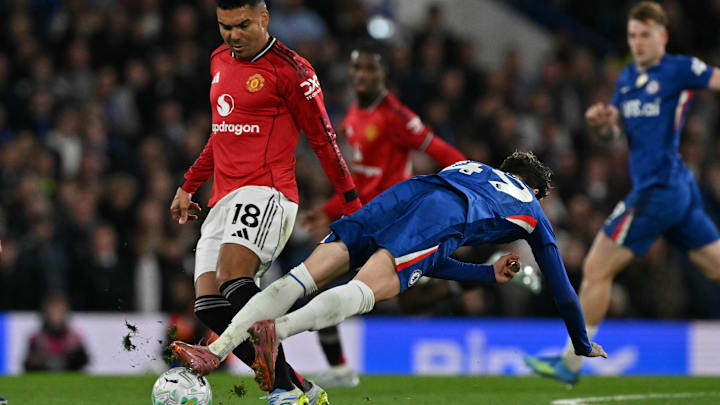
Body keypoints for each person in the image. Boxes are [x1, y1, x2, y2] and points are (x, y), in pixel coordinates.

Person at [171, 152, 608, 393]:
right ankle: (276, 331)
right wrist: (581, 342)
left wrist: (485, 275)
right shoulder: (532, 211)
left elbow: (431, 257)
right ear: (537, 190)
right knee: (367, 290)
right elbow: (563, 290)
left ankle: (217, 349)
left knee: (306, 275)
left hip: (409, 192)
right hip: (444, 214)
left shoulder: (472, 166)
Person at [169, 1, 361, 404]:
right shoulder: (218, 59)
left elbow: (324, 140)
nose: (233, 36)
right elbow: (221, 133)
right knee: (209, 306)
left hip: (268, 191)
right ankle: (301, 388)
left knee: (232, 277)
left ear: (264, 18)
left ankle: (283, 391)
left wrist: (351, 201)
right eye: (225, 26)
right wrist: (189, 184)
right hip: (223, 197)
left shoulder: (293, 70)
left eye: (242, 25)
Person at [524, 1, 720, 385]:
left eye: (645, 35)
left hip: (659, 191)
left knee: (596, 268)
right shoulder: (628, 77)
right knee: (714, 266)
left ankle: (570, 364)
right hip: (672, 189)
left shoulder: (679, 69)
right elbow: (613, 133)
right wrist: (601, 124)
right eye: (633, 35)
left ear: (662, 36)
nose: (638, 42)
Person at [301, 41, 467, 387]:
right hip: (368, 217)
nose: (363, 75)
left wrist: (474, 178)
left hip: (396, 221)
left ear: (383, 73)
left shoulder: (396, 116)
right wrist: (329, 209)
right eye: (358, 68)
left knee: (325, 285)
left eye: (370, 68)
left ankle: (465, 278)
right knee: (399, 301)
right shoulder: (353, 114)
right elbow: (361, 179)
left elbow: (440, 149)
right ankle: (459, 281)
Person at [23, 293, 89, 372]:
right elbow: (28, 364)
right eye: (53, 312)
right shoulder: (37, 338)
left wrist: (73, 355)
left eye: (59, 312)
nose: (56, 316)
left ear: (65, 313)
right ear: (46, 313)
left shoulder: (73, 338)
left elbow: (84, 361)